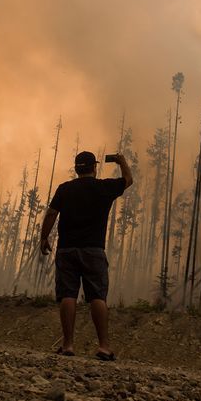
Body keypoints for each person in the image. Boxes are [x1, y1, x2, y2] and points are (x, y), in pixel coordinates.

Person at [40, 150, 133, 360]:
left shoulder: (64, 189)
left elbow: (52, 213)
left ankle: (68, 345)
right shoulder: (104, 187)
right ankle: (103, 347)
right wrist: (121, 161)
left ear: (76, 169)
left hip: (67, 250)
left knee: (68, 295)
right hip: (93, 250)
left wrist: (44, 238)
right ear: (94, 168)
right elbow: (128, 180)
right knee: (97, 297)